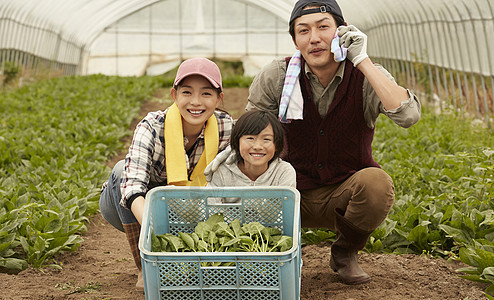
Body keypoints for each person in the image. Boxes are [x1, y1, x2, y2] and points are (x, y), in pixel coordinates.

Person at [207, 0, 421, 285]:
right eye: (303, 30)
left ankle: (344, 253)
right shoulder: (278, 76)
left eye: (324, 27)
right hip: (285, 188)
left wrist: (363, 60)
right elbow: (250, 133)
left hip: (343, 190)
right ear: (295, 40)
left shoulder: (365, 75)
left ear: (342, 31)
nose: (315, 38)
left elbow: (408, 115)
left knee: (377, 184)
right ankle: (266, 253)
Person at [99, 57, 233, 291]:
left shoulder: (226, 127)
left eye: (206, 94)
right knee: (122, 170)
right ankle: (145, 265)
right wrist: (159, 230)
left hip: (188, 207)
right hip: (132, 208)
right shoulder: (152, 126)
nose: (195, 102)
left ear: (219, 98)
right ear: (174, 95)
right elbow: (132, 187)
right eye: (187, 92)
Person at [206, 110, 296, 190]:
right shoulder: (222, 171)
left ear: (276, 145)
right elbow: (211, 206)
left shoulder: (283, 172)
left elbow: (286, 207)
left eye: (266, 139)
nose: (258, 146)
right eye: (250, 138)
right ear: (237, 141)